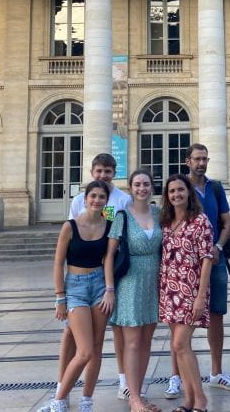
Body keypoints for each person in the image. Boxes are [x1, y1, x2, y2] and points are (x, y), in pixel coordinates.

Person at [165, 144, 230, 398]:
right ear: (187, 161)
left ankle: (216, 372)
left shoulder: (215, 187)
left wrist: (218, 246)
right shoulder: (179, 187)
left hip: (214, 261)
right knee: (177, 323)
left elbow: (227, 222)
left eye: (205, 159)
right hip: (184, 266)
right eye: (197, 159)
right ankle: (176, 376)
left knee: (217, 314)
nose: (201, 163)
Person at [67, 154, 132, 402]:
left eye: (107, 171)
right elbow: (71, 236)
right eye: (99, 171)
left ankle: (123, 382)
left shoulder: (123, 200)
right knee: (72, 335)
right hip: (83, 275)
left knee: (118, 328)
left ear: (114, 172)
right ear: (92, 172)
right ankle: (63, 387)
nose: (103, 175)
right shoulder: (78, 200)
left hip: (113, 271)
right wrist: (62, 291)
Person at [44, 180, 114, 412]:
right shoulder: (70, 226)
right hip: (75, 287)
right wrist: (60, 297)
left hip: (99, 286)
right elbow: (58, 263)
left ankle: (86, 400)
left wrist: (110, 290)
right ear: (85, 199)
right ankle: (59, 399)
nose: (97, 200)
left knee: (97, 347)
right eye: (93, 196)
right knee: (84, 351)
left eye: (101, 197)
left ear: (107, 200)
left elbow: (110, 257)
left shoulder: (109, 223)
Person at [103, 169, 162, 412]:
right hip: (129, 282)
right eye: (137, 184)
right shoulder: (122, 216)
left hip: (153, 282)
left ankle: (139, 393)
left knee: (147, 341)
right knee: (133, 343)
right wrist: (109, 289)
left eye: (146, 184)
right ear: (130, 188)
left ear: (152, 187)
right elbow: (109, 255)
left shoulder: (158, 213)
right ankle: (134, 398)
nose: (142, 188)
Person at [159, 174, 214, 412]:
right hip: (169, 290)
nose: (176, 195)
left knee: (180, 344)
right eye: (172, 191)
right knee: (179, 347)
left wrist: (201, 296)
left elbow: (207, 259)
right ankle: (189, 401)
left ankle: (200, 400)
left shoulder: (200, 221)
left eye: (180, 190)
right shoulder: (165, 222)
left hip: (191, 290)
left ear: (188, 192)